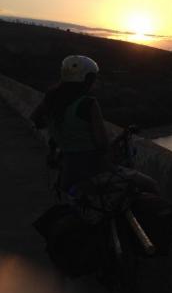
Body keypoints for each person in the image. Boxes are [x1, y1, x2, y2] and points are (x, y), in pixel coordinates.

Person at [30, 55, 158, 197]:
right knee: (150, 185)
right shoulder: (88, 104)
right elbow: (102, 143)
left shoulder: (50, 98)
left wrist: (60, 130)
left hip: (67, 169)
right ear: (85, 79)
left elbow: (36, 120)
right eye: (92, 78)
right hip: (93, 170)